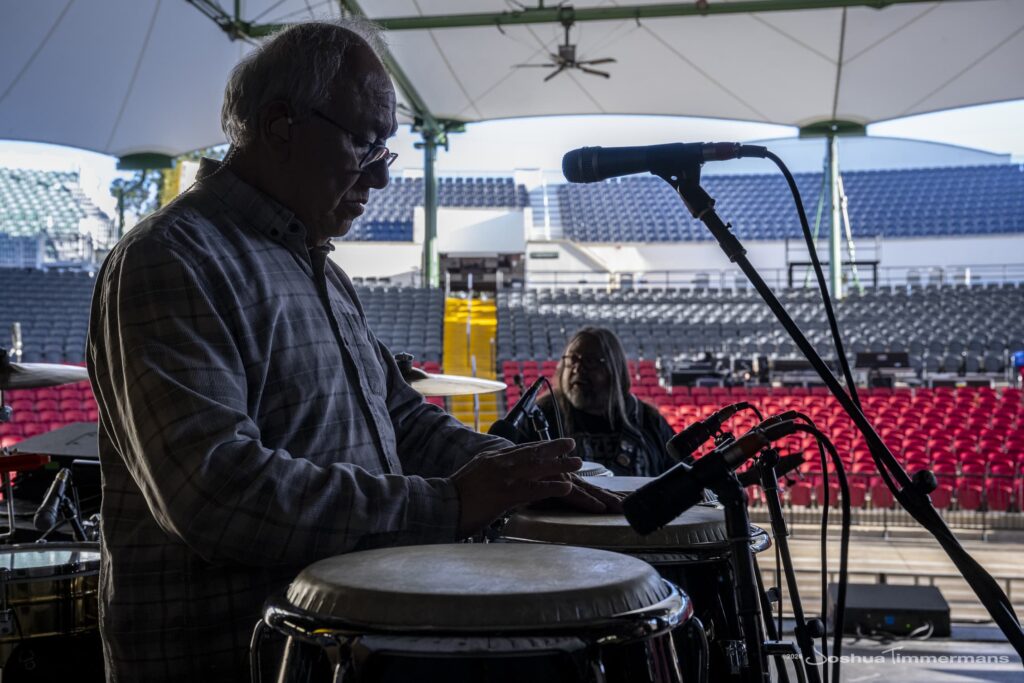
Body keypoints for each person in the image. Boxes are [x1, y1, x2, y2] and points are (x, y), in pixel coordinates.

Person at [87, 21, 617, 682]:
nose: (384, 172)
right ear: (281, 126)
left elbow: (399, 416)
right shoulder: (172, 258)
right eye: (367, 141)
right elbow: (215, 492)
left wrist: (515, 470)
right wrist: (448, 504)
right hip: (234, 655)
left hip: (331, 650)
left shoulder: (322, 269)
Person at [534, 327, 677, 476]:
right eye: (572, 360)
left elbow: (684, 474)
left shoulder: (649, 421)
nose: (577, 369)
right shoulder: (539, 417)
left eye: (590, 361)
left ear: (614, 369)